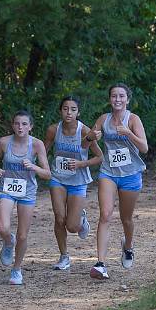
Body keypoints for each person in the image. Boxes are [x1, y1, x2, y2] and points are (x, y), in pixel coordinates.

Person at [85, 83, 148, 280]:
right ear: (110, 99)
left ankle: (128, 247)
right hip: (108, 173)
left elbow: (144, 148)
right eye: (114, 96)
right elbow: (84, 143)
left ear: (127, 100)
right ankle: (101, 263)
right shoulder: (103, 119)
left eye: (121, 96)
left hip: (130, 175)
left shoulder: (133, 119)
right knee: (105, 214)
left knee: (126, 219)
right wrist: (90, 137)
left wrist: (129, 133)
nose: (117, 99)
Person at [0, 110, 51, 285]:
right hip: (7, 189)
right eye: (17, 123)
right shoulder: (4, 142)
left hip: (27, 191)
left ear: (31, 126)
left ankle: (16, 269)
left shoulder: (37, 145)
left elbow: (47, 174)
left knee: (23, 235)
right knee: (3, 227)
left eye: (24, 124)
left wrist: (34, 167)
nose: (20, 127)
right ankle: (9, 242)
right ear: (12, 125)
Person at [44, 96, 103, 270]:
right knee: (59, 217)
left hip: (78, 180)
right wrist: (42, 169)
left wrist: (81, 164)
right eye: (65, 109)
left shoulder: (85, 131)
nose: (69, 112)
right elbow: (42, 152)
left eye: (73, 109)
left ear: (78, 112)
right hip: (58, 178)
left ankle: (80, 219)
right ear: (60, 110)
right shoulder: (53, 130)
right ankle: (64, 256)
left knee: (72, 226)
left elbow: (100, 157)